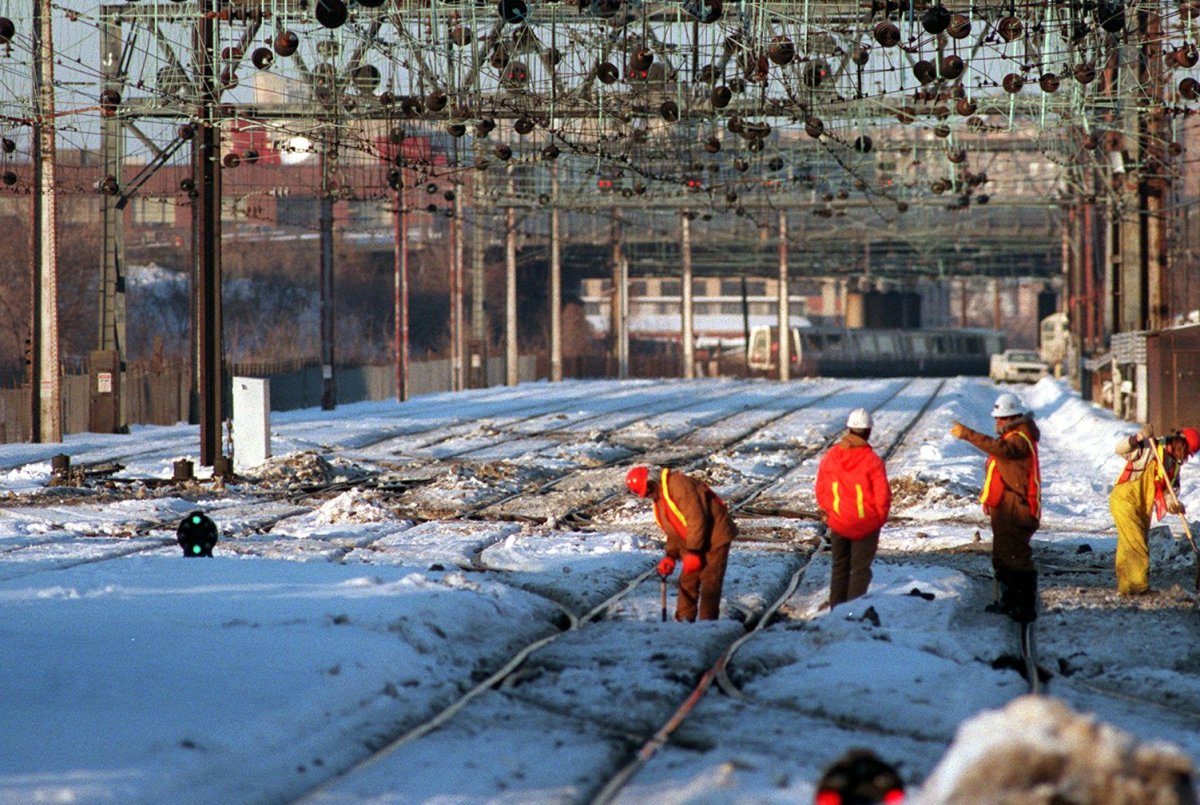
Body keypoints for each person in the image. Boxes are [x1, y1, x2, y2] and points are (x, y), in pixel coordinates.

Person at [950, 392, 1041, 622]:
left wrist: (968, 435)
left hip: (1017, 508)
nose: (996, 423)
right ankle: (1009, 601)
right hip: (1006, 507)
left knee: (1016, 557)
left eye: (1000, 418)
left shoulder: (1019, 439)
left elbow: (1000, 451)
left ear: (1011, 418)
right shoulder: (1014, 436)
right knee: (1002, 557)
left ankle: (1024, 605)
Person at [625, 465, 737, 621]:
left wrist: (693, 552)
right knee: (687, 581)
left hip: (715, 534)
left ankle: (708, 625)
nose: (648, 496)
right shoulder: (660, 497)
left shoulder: (679, 486)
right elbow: (674, 529)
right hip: (694, 539)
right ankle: (684, 621)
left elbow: (697, 520)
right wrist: (670, 555)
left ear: (653, 483)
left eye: (648, 492)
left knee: (710, 582)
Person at [1108, 424, 1200, 595]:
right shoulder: (1150, 447)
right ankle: (1138, 586)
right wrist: (1137, 438)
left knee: (1128, 545)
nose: (1186, 457)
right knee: (1137, 544)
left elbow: (1168, 494)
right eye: (1187, 452)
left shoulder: (1174, 467)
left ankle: (1126, 587)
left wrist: (1174, 505)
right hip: (1125, 500)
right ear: (1180, 442)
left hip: (1144, 507)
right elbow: (1119, 449)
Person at [814, 407, 891, 608]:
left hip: (838, 522)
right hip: (865, 524)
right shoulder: (872, 460)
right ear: (868, 431)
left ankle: (836, 610)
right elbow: (882, 495)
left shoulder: (831, 456)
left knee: (839, 567)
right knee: (860, 570)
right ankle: (851, 614)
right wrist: (878, 520)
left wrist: (829, 514)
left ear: (848, 429)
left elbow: (821, 487)